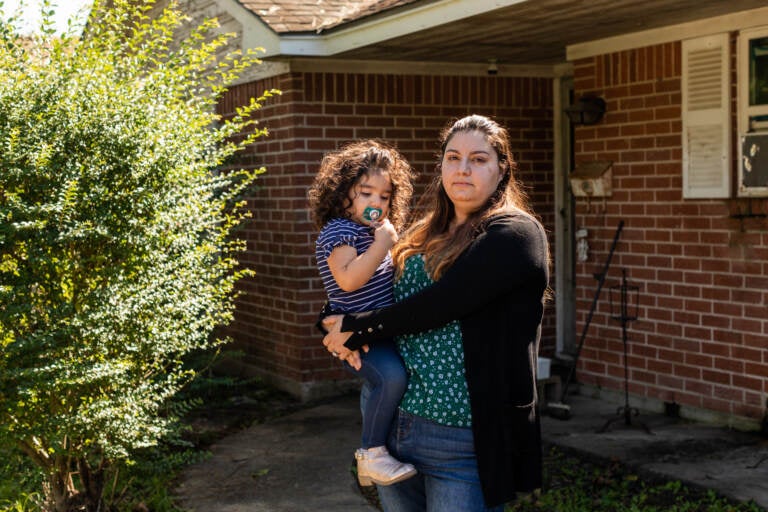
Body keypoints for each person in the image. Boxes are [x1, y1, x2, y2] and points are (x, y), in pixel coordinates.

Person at [322, 115, 550, 511]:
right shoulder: (423, 232)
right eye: (453, 157)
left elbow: (443, 303)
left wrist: (355, 330)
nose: (462, 169)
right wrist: (332, 326)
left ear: (502, 170)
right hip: (392, 424)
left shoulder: (515, 234)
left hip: (461, 436)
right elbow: (371, 292)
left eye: (478, 159)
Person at [308, 140, 418, 487]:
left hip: (379, 332)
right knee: (391, 379)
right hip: (360, 339)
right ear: (342, 195)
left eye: (384, 196)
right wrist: (382, 245)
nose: (376, 203)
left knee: (395, 380)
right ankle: (371, 455)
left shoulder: (369, 233)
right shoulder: (339, 231)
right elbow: (349, 280)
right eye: (366, 193)